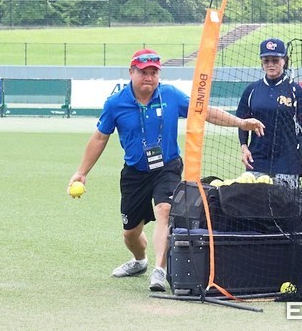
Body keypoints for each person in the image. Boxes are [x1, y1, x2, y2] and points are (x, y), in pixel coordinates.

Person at [68, 48, 265, 292]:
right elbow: (100, 138)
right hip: (135, 173)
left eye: (154, 72)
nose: (149, 77)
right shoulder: (115, 103)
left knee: (165, 210)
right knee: (130, 234)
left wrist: (241, 122)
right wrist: (82, 172)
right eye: (143, 72)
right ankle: (140, 261)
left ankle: (159, 271)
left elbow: (204, 112)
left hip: (167, 167)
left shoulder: (171, 95)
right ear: (131, 72)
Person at [236, 38, 302, 189]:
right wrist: (244, 147)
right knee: (255, 208)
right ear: (261, 63)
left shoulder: (295, 90)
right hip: (258, 161)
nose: (270, 64)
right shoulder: (251, 90)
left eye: (275, 60)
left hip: (288, 162)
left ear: (284, 61)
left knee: (286, 209)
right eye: (266, 60)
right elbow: (242, 123)